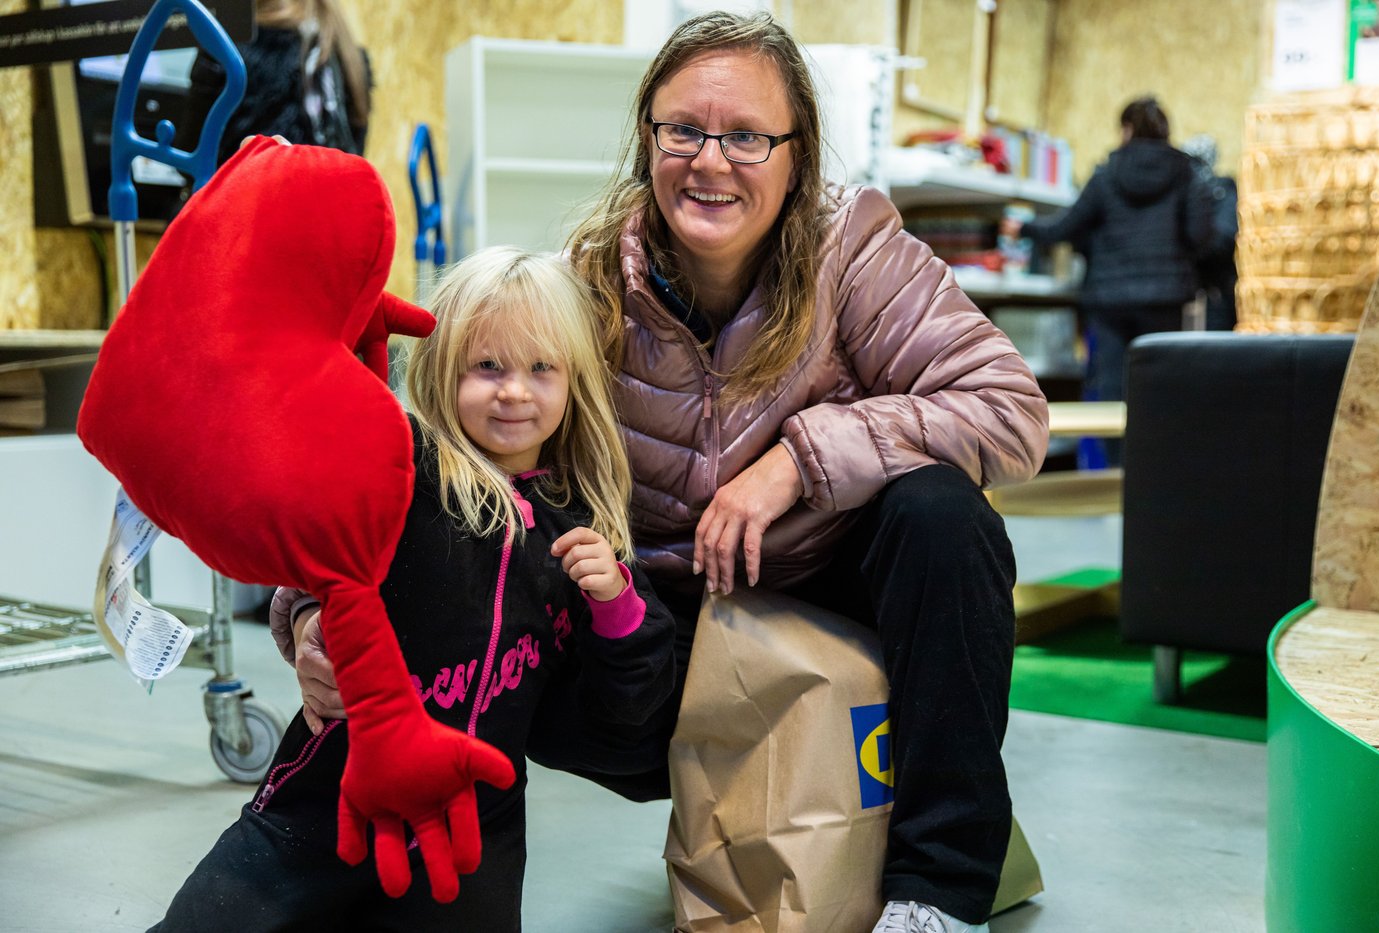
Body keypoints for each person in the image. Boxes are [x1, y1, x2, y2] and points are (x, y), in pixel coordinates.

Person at [276, 11, 1048, 933]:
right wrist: (311, 613)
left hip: (830, 584)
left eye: (749, 136)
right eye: (683, 129)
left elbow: (1010, 409)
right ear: (647, 140)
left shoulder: (858, 249)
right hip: (659, 636)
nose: (710, 160)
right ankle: (403, 874)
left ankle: (939, 895)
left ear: (797, 154)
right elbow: (435, 446)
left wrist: (795, 464)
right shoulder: (591, 280)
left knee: (943, 515)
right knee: (497, 549)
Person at [154, 247, 676, 932]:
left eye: (540, 368)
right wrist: (310, 615)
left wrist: (618, 609)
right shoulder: (405, 468)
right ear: (443, 367)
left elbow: (624, 716)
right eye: (488, 365)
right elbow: (323, 548)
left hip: (467, 835)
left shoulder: (580, 530)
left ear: (573, 379)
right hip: (321, 806)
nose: (514, 390)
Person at [1002, 96, 1212, 464]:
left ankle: (1114, 473)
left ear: (1126, 130)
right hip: (1166, 298)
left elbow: (1067, 226)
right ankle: (1157, 470)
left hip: (1111, 300)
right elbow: (1200, 235)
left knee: (1113, 389)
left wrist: (1025, 228)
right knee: (1161, 385)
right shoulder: (1186, 174)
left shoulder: (1106, 174)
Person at [176, 0, 372, 168]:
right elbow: (354, 158)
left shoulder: (231, 46)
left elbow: (190, 157)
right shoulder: (351, 59)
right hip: (324, 208)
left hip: (241, 206)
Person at [1181, 133, 1239, 332]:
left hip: (1215, 292)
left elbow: (1224, 238)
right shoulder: (1186, 194)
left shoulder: (1221, 193)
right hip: (1195, 290)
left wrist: (1191, 251)